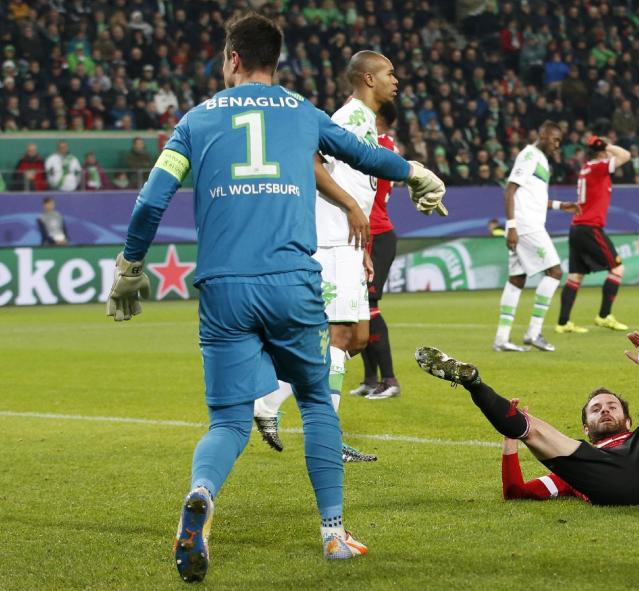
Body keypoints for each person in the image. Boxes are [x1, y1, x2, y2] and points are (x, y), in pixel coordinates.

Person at [105, 13, 445, 580]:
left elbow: (149, 202)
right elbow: (364, 156)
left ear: (232, 58)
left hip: (223, 291)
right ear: (275, 60)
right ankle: (334, 534)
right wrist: (413, 172)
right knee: (315, 402)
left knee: (228, 420)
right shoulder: (303, 113)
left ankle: (202, 492)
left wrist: (130, 266)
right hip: (293, 284)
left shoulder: (195, 121)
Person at [416, 236, 639, 506]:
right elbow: (516, 492)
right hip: (605, 479)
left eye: (611, 406)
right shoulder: (575, 469)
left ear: (627, 420)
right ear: (585, 426)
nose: (605, 410)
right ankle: (474, 383)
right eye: (596, 409)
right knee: (531, 431)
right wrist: (509, 441)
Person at [253, 51, 443, 460]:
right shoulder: (348, 118)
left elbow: (357, 181)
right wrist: (354, 211)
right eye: (390, 72)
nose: (396, 79)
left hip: (350, 244)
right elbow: (311, 162)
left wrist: (365, 247)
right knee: (338, 336)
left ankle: (271, 398)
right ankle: (326, 439)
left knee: (356, 337)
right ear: (368, 79)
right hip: (332, 240)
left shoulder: (367, 126)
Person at [494, 120, 580, 353]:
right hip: (526, 226)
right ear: (543, 135)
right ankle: (533, 332)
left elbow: (534, 198)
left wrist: (561, 205)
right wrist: (511, 226)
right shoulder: (530, 155)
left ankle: (501, 338)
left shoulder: (540, 160)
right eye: (554, 139)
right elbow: (510, 190)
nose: (557, 145)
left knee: (517, 279)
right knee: (555, 271)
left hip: (525, 223)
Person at [556, 134, 632, 334]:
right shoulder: (598, 167)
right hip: (590, 228)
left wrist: (603, 146)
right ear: (602, 152)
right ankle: (604, 315)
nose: (610, 152)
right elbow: (625, 155)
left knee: (575, 276)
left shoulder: (586, 169)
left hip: (577, 228)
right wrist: (607, 145)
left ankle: (563, 323)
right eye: (607, 150)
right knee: (617, 269)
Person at [352, 101, 403, 401]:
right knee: (358, 306)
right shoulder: (380, 144)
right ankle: (371, 378)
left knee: (369, 304)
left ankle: (390, 380)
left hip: (378, 233)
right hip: (365, 233)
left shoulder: (379, 144)